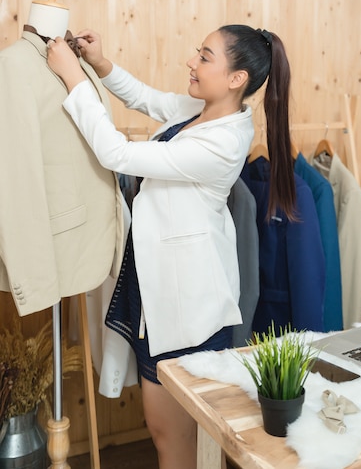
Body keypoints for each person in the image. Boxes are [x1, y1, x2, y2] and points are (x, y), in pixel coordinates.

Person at [46, 24, 296, 469]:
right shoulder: (204, 112)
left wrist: (74, 78)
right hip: (158, 297)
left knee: (176, 441)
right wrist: (100, 64)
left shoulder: (222, 140)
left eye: (205, 56)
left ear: (237, 78)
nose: (191, 62)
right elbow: (147, 98)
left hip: (187, 311)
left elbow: (117, 154)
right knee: (164, 433)